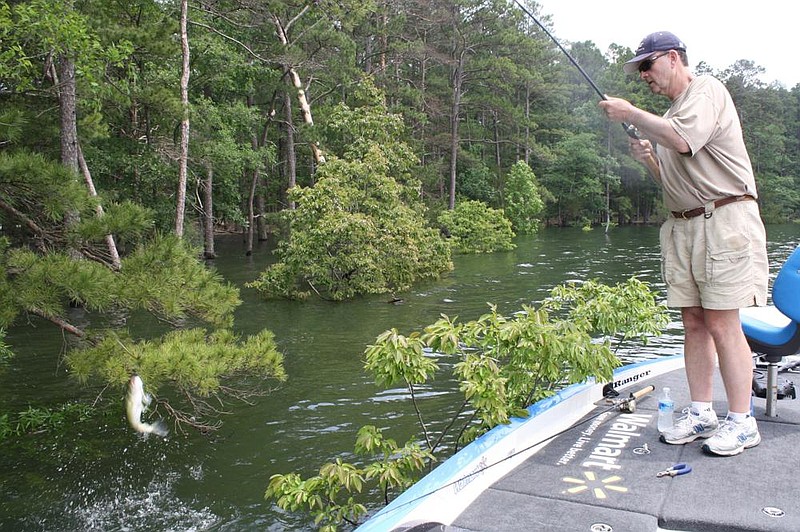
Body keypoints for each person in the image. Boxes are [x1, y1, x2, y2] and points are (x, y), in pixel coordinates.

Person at [599, 31, 769, 457]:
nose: (644, 77)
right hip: (685, 226)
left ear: (672, 58)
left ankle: (742, 421)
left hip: (724, 221)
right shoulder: (674, 113)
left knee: (722, 323)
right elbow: (677, 184)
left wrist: (632, 112)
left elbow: (682, 139)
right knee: (693, 320)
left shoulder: (707, 91)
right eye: (639, 72)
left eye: (647, 66)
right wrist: (651, 161)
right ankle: (700, 412)